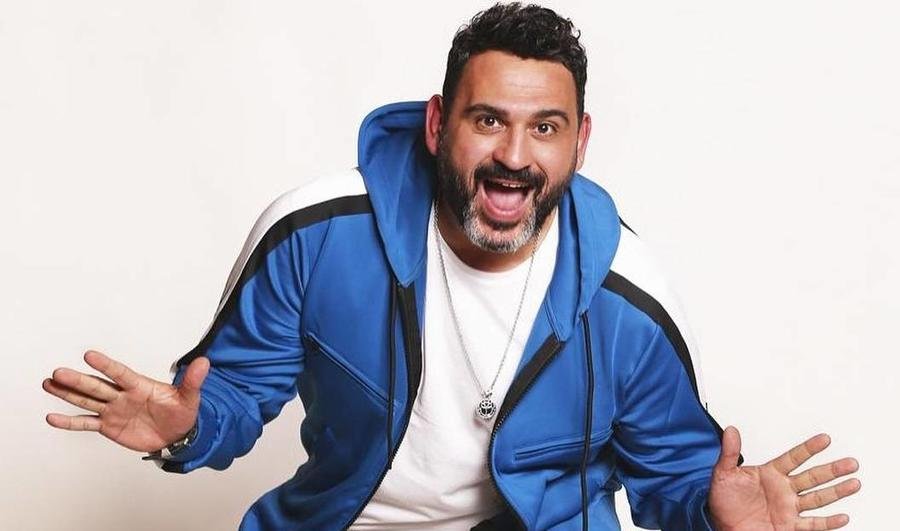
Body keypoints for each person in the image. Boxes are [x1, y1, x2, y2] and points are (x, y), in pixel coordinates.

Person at [42, 3, 860, 530]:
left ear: (580, 142)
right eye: (488, 120)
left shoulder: (627, 299)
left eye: (545, 128)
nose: (514, 156)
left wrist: (716, 514)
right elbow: (229, 393)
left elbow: (675, 476)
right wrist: (187, 428)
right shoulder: (317, 233)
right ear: (438, 125)